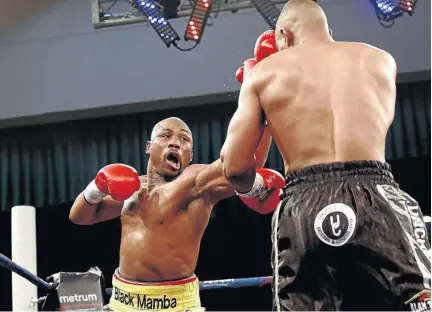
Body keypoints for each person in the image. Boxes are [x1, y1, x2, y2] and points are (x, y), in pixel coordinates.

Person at [220, 0, 431, 311]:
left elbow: (236, 167)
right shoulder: (380, 60)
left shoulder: (265, 74)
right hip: (377, 193)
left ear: (283, 36)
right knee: (418, 302)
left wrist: (256, 188)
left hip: (303, 203)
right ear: (328, 31)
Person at [69, 117, 274, 312]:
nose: (175, 143)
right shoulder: (132, 187)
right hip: (122, 302)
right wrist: (97, 187)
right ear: (149, 147)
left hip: (174, 304)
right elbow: (80, 216)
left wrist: (262, 115)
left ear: (190, 155)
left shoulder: (195, 184)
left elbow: (245, 164)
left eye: (184, 139)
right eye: (165, 136)